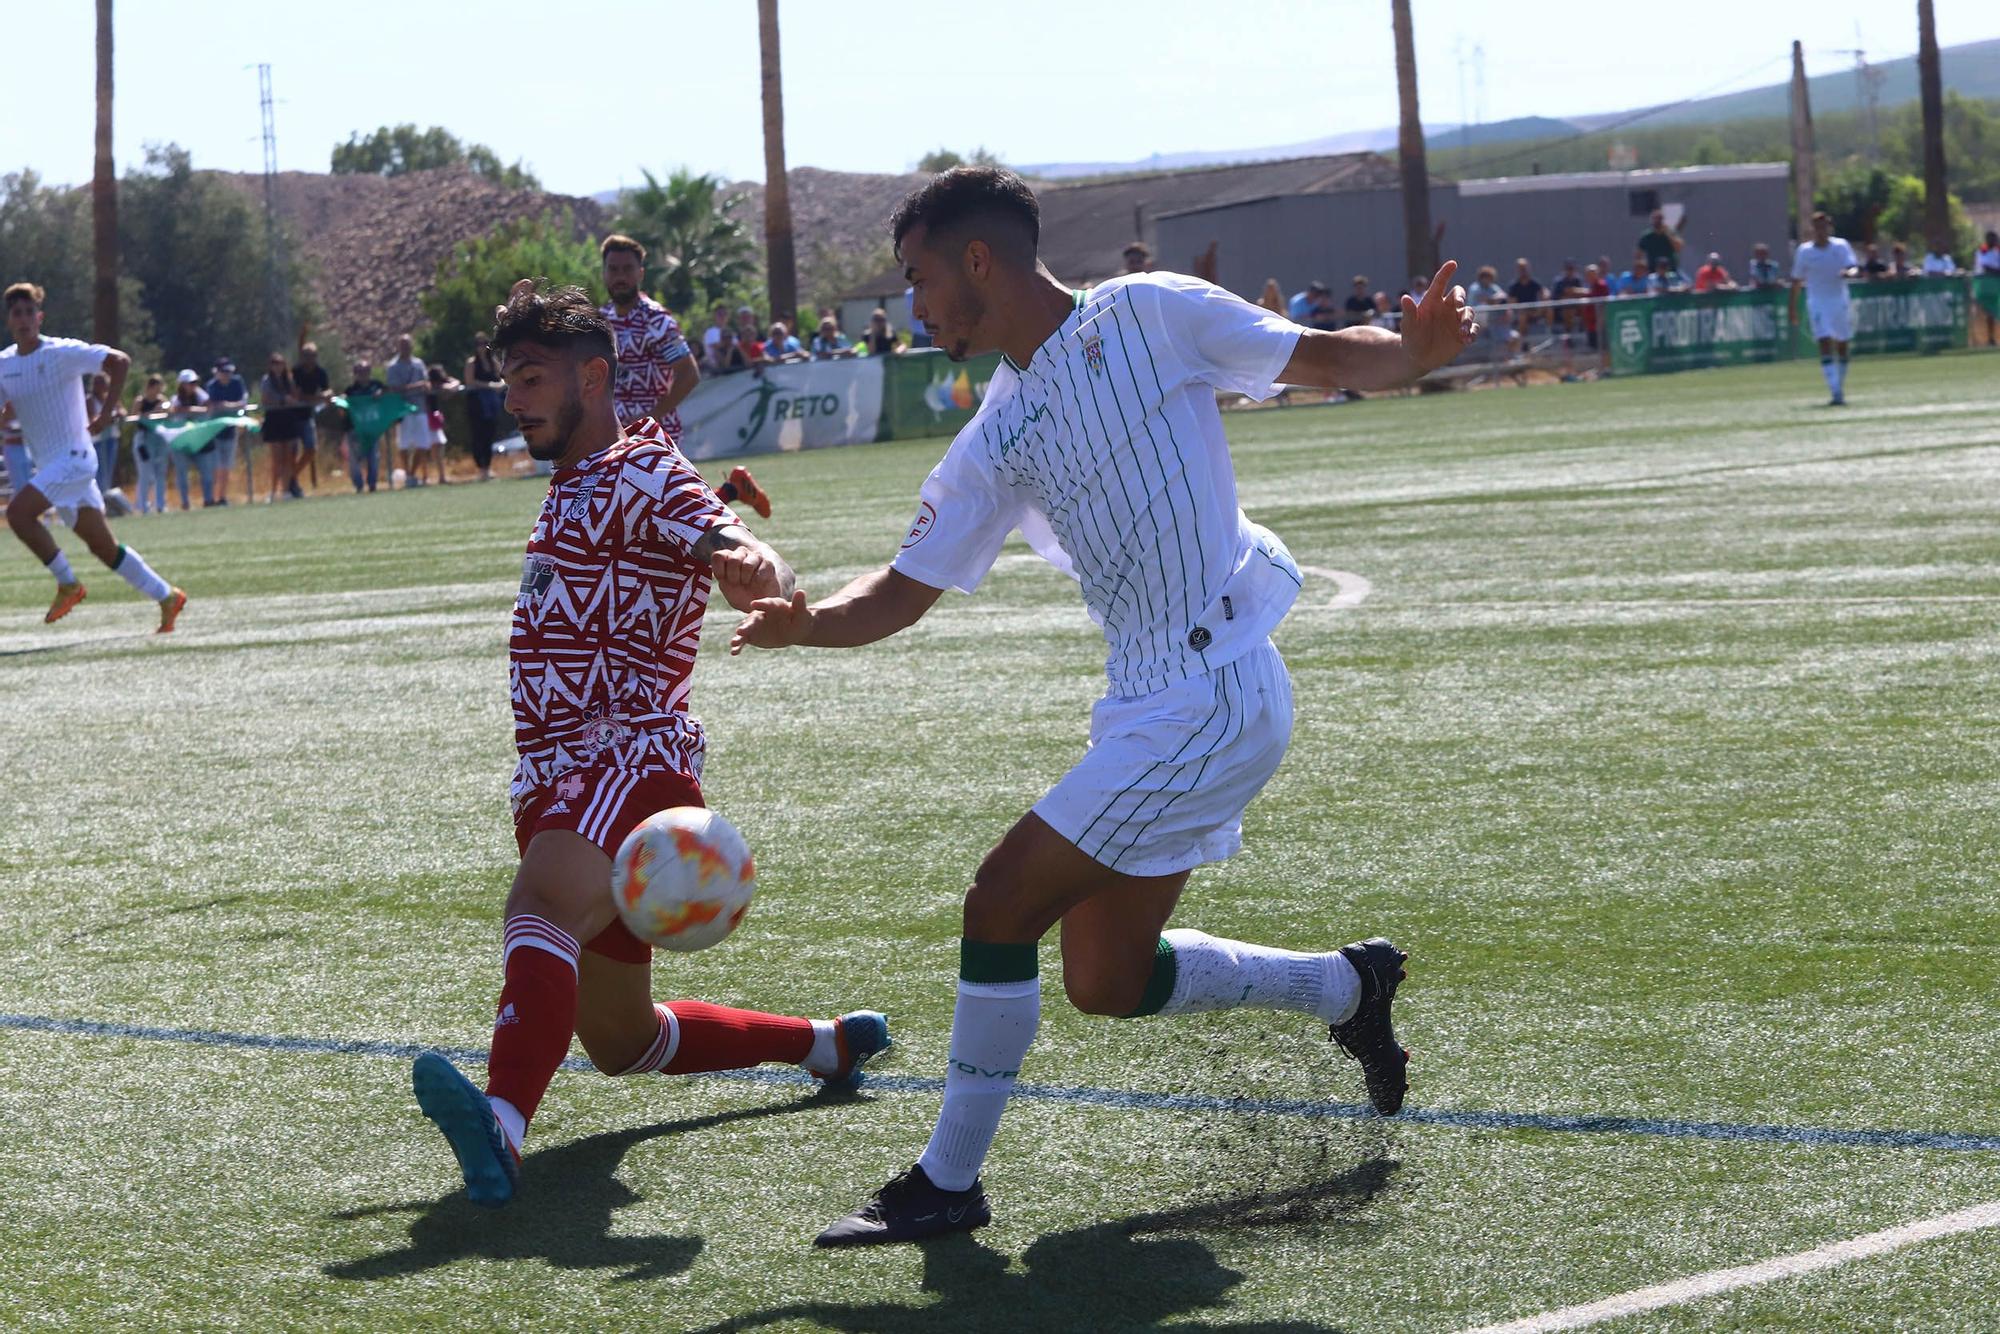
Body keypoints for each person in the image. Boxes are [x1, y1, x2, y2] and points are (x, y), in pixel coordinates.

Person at [730, 166, 1476, 1246]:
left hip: (1211, 691)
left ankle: (947, 1182)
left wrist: (1409, 351)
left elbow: (1309, 355)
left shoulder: (1149, 311)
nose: (914, 305)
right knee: (1106, 978)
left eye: (918, 277)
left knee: (997, 903)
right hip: (1147, 706)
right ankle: (1343, 986)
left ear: (976, 260)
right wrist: (806, 621)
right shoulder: (995, 429)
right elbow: (899, 590)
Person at [409, 280, 891, 1207]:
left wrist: (759, 577)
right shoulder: (580, 480)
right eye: (508, 379)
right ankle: (826, 1043)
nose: (513, 399)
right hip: (558, 774)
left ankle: (502, 1129)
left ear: (594, 376)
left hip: (626, 758)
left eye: (533, 377)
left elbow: (735, 547)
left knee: (540, 908)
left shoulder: (640, 468)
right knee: (625, 1044)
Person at [0, 282, 186, 631]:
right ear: (9, 320)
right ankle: (167, 596)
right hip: (54, 468)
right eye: (16, 313)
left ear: (39, 317)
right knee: (103, 547)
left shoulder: (60, 353)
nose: (23, 319)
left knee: (18, 514)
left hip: (74, 460)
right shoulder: (4, 365)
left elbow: (119, 361)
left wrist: (103, 415)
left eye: (29, 312)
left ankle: (68, 583)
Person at [598, 233, 700, 441]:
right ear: (604, 273)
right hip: (612, 435)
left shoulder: (657, 321)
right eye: (613, 269)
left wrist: (649, 418)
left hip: (656, 438)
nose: (620, 277)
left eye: (627, 269)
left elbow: (689, 374)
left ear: (640, 274)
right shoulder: (601, 320)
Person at [1790, 210, 1858, 406]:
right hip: (1817, 303)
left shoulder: (1841, 245)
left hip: (1839, 301)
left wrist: (1849, 272)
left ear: (1829, 227)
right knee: (1824, 341)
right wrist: (1792, 309)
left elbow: (1852, 266)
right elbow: (1796, 280)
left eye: (1824, 226)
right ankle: (1835, 391)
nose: (1821, 230)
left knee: (1842, 344)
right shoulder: (1804, 251)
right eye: (1817, 226)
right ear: (1813, 229)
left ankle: (1840, 385)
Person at [259, 352, 310, 501]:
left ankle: (286, 490)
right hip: (274, 420)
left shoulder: (289, 379)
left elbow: (295, 397)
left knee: (289, 458)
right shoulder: (266, 381)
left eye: (280, 363)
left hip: (289, 419)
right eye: (274, 363)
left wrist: (293, 397)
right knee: (277, 459)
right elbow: (266, 398)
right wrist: (283, 399)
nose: (278, 366)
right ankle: (273, 491)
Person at [166, 371, 216, 509]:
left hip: (200, 441)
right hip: (181, 443)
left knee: (206, 472)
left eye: (195, 383)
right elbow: (174, 409)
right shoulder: (175, 398)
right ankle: (185, 502)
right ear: (182, 384)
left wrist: (190, 410)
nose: (193, 386)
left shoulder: (200, 394)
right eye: (190, 383)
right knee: (182, 473)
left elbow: (209, 407)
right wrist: (194, 410)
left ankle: (208, 500)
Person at [384, 334, 428, 486]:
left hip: (420, 408)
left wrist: (424, 386)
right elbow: (394, 388)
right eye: (403, 345)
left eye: (408, 345)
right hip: (403, 411)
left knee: (423, 444)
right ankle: (408, 474)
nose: (406, 348)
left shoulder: (418, 363)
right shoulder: (393, 366)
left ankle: (411, 474)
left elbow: (425, 383)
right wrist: (416, 386)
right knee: (404, 445)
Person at [464, 332, 507, 480]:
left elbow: (503, 377)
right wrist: (489, 385)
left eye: (484, 344)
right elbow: (470, 381)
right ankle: (480, 469)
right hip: (477, 404)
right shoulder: (471, 363)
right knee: (478, 436)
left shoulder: (493, 361)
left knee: (489, 435)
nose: (481, 347)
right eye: (478, 344)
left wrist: (498, 385)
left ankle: (487, 468)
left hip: (491, 404)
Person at [342, 360, 390, 493]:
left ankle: (372, 484)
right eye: (360, 372)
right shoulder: (351, 390)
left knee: (373, 457)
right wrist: (342, 399)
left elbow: (389, 391)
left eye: (366, 371)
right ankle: (358, 485)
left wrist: (381, 393)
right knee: (354, 458)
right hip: (355, 429)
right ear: (355, 374)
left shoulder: (376, 386)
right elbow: (343, 403)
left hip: (371, 428)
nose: (363, 375)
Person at [205, 359, 248, 505]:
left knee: (226, 467)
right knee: (217, 468)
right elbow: (215, 405)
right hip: (214, 433)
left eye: (229, 372)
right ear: (217, 372)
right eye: (224, 372)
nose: (227, 375)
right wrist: (230, 406)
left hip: (230, 432)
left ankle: (222, 497)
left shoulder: (237, 382)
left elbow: (242, 402)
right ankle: (212, 497)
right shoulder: (212, 386)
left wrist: (228, 406)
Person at [293, 339, 333, 491]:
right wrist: (319, 398)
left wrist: (326, 394)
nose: (310, 359)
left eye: (313, 355)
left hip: (307, 416)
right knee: (293, 452)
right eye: (307, 355)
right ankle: (292, 482)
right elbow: (299, 396)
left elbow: (327, 390)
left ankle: (292, 476)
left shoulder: (320, 372)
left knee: (311, 449)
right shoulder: (295, 372)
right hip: (292, 417)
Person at [1637, 207, 1682, 273]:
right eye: (1655, 219)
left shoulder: (1671, 232)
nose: (1657, 221)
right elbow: (1639, 254)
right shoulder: (1647, 236)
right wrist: (1643, 267)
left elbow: (1678, 248)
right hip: (1652, 270)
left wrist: (1668, 234)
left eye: (1660, 219)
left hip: (1670, 270)